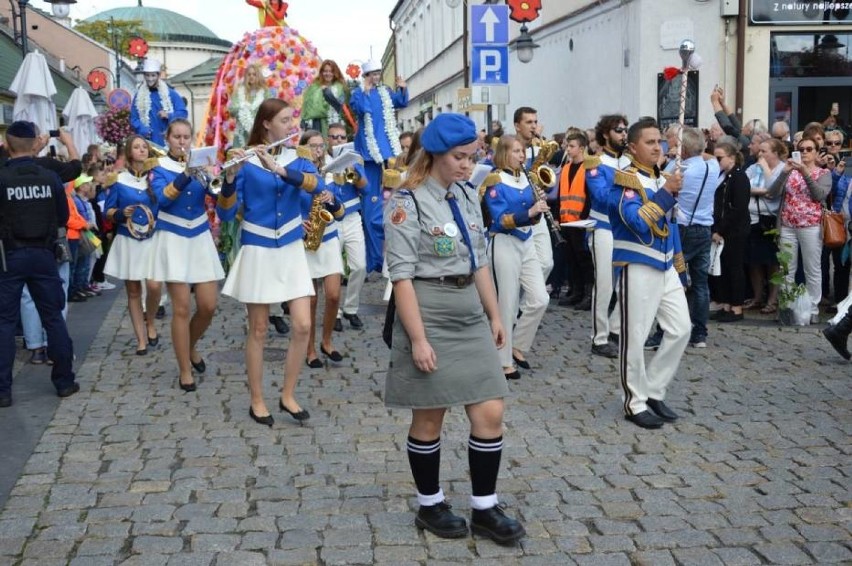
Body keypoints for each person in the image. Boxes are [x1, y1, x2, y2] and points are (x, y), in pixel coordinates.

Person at [384, 113, 524, 544]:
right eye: (460, 158)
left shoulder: (464, 194)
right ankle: (430, 504)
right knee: (430, 417)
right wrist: (419, 339)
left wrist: (496, 315)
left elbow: (478, 258)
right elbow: (402, 276)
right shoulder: (407, 203)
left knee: (490, 412)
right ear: (436, 155)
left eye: (471, 157)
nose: (468, 165)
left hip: (468, 311)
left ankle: (484, 507)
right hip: (428, 310)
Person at [218, 98, 319, 426]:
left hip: (290, 246)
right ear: (266, 124)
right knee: (259, 329)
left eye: (293, 120)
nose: (292, 126)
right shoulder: (245, 161)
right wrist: (230, 179)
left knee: (302, 324)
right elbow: (226, 212)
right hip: (259, 246)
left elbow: (315, 187)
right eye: (286, 120)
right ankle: (257, 400)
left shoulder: (298, 158)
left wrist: (279, 169)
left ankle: (288, 394)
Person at [608, 117, 688, 430]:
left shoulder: (662, 177)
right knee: (636, 336)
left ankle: (653, 389)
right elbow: (637, 222)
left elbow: (671, 226)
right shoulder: (625, 180)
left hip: (665, 264)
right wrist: (667, 192)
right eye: (650, 142)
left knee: (681, 328)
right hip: (638, 263)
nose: (657, 147)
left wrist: (680, 269)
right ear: (632, 147)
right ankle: (635, 402)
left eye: (659, 141)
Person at [0, 121, 79, 407]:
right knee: (53, 318)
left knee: (5, 322)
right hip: (44, 254)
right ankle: (64, 382)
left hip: (9, 256)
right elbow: (61, 216)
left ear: (7, 146)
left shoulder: (2, 177)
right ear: (36, 143)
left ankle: (3, 390)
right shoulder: (49, 177)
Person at [149, 119, 225, 391]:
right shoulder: (158, 168)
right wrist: (186, 174)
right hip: (173, 236)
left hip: (200, 236)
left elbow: (218, 198)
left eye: (186, 137)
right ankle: (184, 369)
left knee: (208, 306)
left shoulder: (200, 163)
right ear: (167, 139)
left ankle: (190, 346)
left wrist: (221, 179)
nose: (182, 141)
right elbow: (163, 199)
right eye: (176, 137)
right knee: (181, 308)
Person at [481, 135, 549, 380]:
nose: (522, 155)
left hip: (526, 239)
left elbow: (533, 215)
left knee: (540, 298)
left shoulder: (527, 177)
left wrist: (538, 208)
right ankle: (502, 360)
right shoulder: (495, 180)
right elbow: (500, 218)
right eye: (517, 151)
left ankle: (518, 345)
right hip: (504, 241)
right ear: (504, 153)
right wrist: (530, 210)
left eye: (523, 151)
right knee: (507, 304)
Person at [103, 134, 163, 355]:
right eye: (137, 147)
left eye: (144, 147)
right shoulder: (117, 180)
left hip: (153, 238)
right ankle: (141, 339)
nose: (142, 150)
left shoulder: (157, 177)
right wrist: (120, 213)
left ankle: (151, 321)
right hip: (128, 239)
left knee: (155, 285)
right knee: (134, 290)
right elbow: (107, 212)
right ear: (129, 152)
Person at [350, 59, 409, 273]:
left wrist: (402, 87)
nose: (375, 77)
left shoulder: (385, 92)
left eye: (377, 73)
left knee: (390, 202)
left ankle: (382, 257)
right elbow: (360, 109)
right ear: (365, 76)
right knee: (371, 208)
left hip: (387, 149)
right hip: (368, 151)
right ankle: (372, 259)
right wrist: (365, 92)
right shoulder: (358, 93)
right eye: (371, 74)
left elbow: (400, 103)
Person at [765, 136, 832, 323]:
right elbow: (772, 192)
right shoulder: (790, 172)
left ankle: (812, 309)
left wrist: (805, 173)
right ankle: (788, 307)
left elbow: (819, 195)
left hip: (811, 226)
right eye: (801, 149)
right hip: (788, 225)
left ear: (817, 153)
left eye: (809, 149)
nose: (804, 153)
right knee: (786, 268)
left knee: (812, 268)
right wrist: (784, 172)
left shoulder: (822, 173)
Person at [299, 130, 346, 367]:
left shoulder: (330, 174)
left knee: (334, 295)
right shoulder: (297, 174)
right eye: (313, 146)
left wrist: (332, 199)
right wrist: (299, 221)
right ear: (304, 148)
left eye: (320, 145)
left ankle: (327, 341)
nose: (318, 150)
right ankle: (309, 350)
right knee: (311, 300)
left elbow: (340, 213)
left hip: (328, 237)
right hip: (306, 239)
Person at [585, 114, 631, 357]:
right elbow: (602, 197)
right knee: (605, 285)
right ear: (606, 134)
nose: (624, 134)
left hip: (627, 229)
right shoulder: (595, 163)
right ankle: (599, 338)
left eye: (625, 130)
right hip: (603, 227)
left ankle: (615, 327)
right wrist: (627, 189)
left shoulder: (631, 161)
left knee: (628, 283)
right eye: (618, 130)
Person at [326, 123, 368, 331]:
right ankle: (335, 314)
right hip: (330, 221)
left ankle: (351, 308)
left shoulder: (353, 160)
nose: (338, 141)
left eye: (342, 137)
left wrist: (354, 173)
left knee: (360, 265)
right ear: (328, 140)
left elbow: (366, 189)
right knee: (334, 270)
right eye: (334, 137)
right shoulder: (322, 164)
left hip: (352, 218)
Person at [710, 141, 752, 321]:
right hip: (725, 229)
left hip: (735, 230)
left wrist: (721, 229)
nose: (716, 161)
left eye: (719, 158)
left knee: (735, 268)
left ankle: (736, 307)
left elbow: (738, 207)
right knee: (725, 268)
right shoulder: (725, 176)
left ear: (731, 158)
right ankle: (727, 304)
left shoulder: (739, 177)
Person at [555, 128, 594, 313]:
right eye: (567, 146)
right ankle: (576, 291)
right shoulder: (565, 169)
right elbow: (561, 194)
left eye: (572, 146)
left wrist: (585, 218)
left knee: (584, 260)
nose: (568, 149)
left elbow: (589, 196)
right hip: (566, 220)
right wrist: (557, 217)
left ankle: (588, 293)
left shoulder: (588, 167)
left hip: (581, 222)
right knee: (571, 258)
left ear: (582, 148)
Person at [745, 138, 786, 313]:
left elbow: (774, 190)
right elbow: (744, 186)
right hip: (752, 219)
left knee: (772, 262)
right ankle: (757, 296)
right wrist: (763, 192)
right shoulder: (753, 168)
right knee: (753, 261)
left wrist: (766, 170)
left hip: (769, 219)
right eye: (759, 151)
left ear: (775, 153)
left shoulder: (782, 169)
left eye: (764, 151)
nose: (760, 154)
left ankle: (772, 299)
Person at [130, 59, 188, 147]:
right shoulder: (138, 96)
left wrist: (169, 115)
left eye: (153, 75)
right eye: (147, 75)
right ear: (144, 76)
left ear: (158, 75)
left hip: (169, 142)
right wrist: (143, 129)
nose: (150, 79)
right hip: (148, 143)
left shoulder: (170, 94)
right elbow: (133, 118)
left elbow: (183, 113)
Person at [301, 60, 350, 138]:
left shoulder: (340, 88)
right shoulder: (314, 87)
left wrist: (329, 95)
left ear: (335, 73)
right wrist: (303, 119)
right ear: (321, 72)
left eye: (331, 71)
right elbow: (307, 106)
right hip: (317, 124)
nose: (328, 74)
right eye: (325, 71)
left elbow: (340, 107)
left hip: (335, 123)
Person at [229, 63, 269, 149]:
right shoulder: (239, 91)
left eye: (254, 74)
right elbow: (232, 110)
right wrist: (243, 109)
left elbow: (269, 109)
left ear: (258, 75)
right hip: (242, 134)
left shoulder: (265, 92)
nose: (251, 76)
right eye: (249, 74)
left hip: (258, 132)